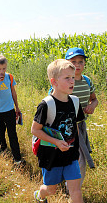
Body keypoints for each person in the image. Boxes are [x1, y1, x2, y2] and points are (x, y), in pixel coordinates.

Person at [31, 59, 85, 203]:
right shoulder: (46, 105)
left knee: (76, 190)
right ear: (54, 82)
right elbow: (35, 130)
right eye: (67, 78)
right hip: (52, 156)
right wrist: (56, 142)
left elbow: (75, 128)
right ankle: (39, 195)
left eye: (73, 77)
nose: (72, 81)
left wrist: (77, 149)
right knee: (51, 190)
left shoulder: (75, 101)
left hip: (71, 156)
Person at [65, 47, 98, 186]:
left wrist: (92, 106)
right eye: (73, 62)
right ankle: (72, 189)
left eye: (81, 62)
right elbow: (51, 103)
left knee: (78, 159)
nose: (77, 65)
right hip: (65, 127)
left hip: (80, 126)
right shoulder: (63, 81)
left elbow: (94, 99)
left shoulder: (87, 81)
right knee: (78, 159)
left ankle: (71, 188)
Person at [0, 55, 22, 164]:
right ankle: (3, 151)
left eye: (4, 69)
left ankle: (17, 158)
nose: (1, 71)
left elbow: (13, 93)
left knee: (12, 134)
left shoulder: (9, 77)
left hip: (9, 110)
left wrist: (17, 107)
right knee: (0, 133)